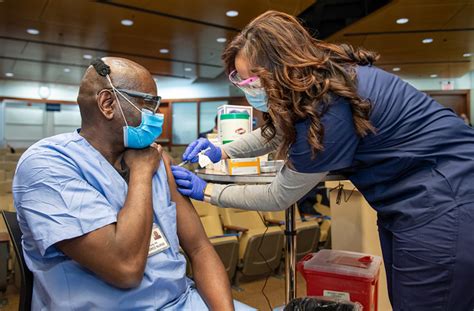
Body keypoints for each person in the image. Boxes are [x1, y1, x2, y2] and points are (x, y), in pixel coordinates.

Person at [171, 11, 474, 311]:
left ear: (281, 68)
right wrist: (222, 150)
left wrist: (208, 191)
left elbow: (279, 195)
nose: (248, 89)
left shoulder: (328, 107)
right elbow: (278, 132)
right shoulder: (318, 84)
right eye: (240, 81)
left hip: (446, 198)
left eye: (252, 80)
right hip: (413, 201)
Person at [12, 57, 253, 310]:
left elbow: (200, 249)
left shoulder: (157, 160)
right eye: (148, 103)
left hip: (181, 301)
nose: (157, 116)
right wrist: (140, 173)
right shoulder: (47, 165)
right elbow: (125, 268)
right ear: (107, 103)